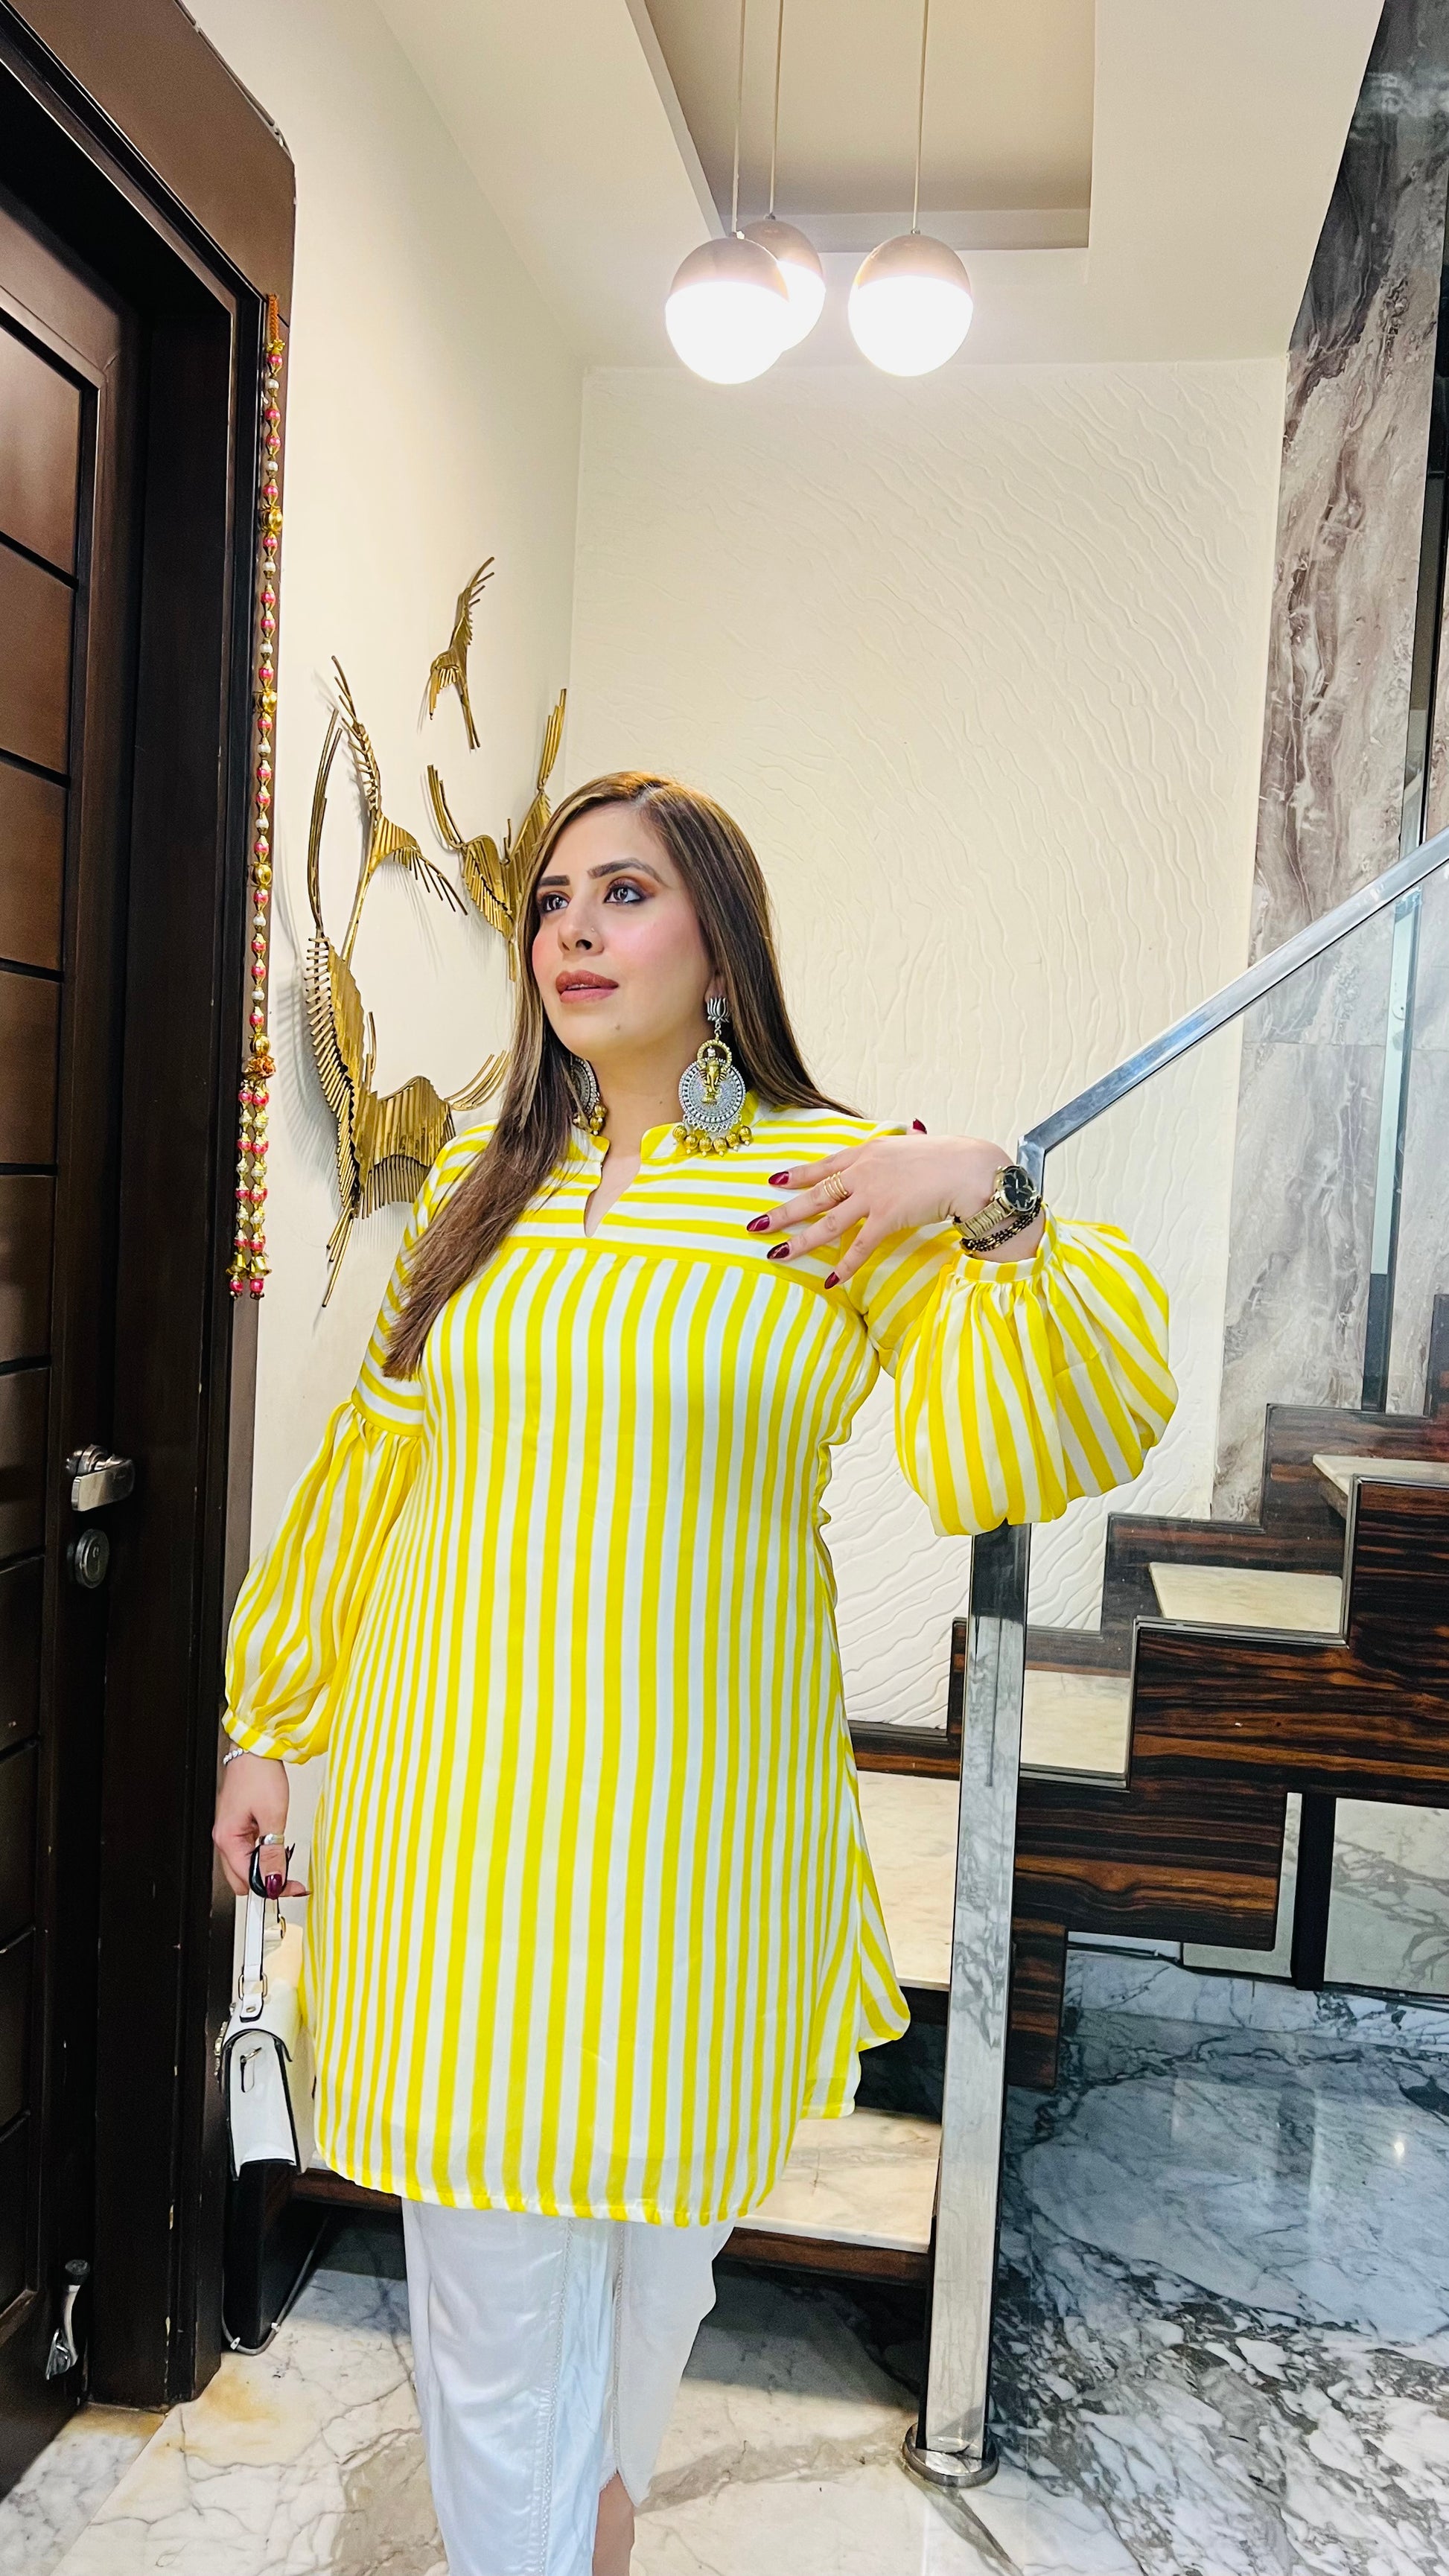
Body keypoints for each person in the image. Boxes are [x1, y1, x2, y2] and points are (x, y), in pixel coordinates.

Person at [214, 772, 1176, 2575]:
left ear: (720, 947)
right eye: (550, 899)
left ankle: (597, 2525)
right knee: (490, 2278)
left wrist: (986, 1190)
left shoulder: (831, 1181)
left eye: (625, 892)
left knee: (658, 2256)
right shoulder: (485, 1189)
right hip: (455, 1813)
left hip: (699, 1831)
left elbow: (1033, 1428)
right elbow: (371, 1467)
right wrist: (266, 1721)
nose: (572, 929)